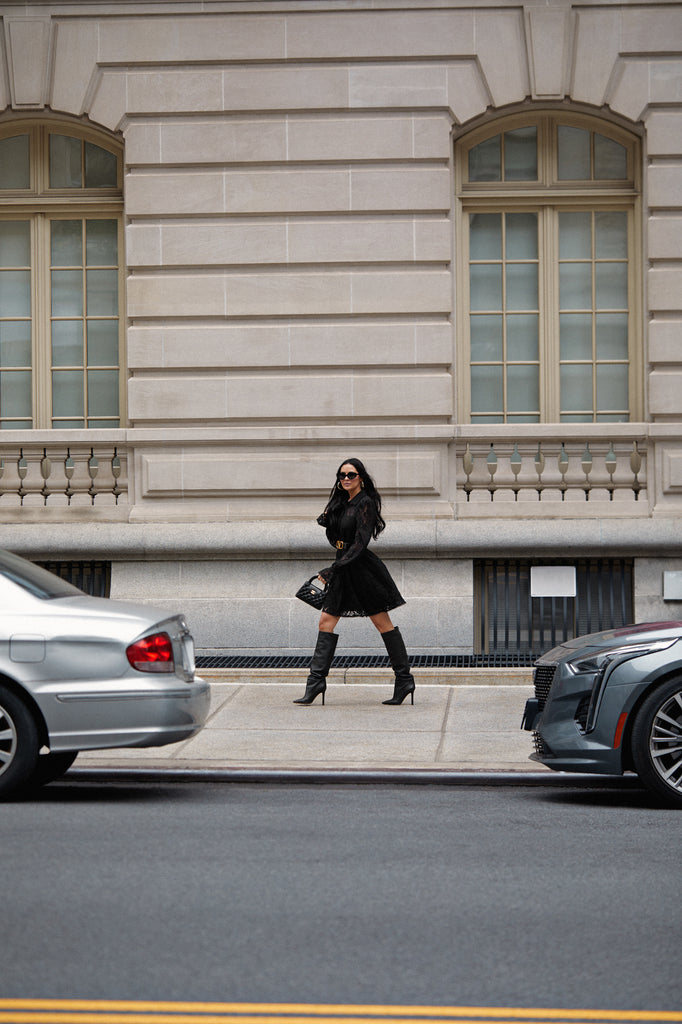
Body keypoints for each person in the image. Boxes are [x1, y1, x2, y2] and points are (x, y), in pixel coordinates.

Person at [294, 458, 416, 707]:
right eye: (342, 475)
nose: (346, 479)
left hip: (361, 570)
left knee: (383, 624)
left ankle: (404, 680)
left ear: (361, 477)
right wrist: (328, 521)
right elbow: (338, 542)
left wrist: (333, 569)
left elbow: (360, 544)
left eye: (351, 474)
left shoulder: (365, 504)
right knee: (326, 620)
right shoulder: (343, 502)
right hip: (343, 565)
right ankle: (315, 682)